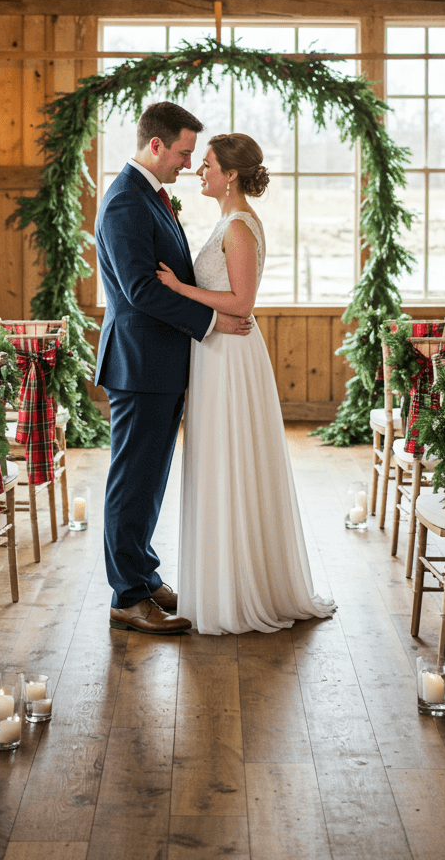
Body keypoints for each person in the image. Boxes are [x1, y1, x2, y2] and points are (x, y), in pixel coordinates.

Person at [156, 132, 336, 635]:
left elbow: (241, 303)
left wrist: (177, 287)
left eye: (207, 163)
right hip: (215, 349)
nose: (200, 170)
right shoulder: (227, 222)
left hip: (231, 353)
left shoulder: (238, 226)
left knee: (230, 458)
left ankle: (241, 589)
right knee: (218, 459)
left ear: (230, 174)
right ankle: (221, 581)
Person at [94, 102, 254, 636]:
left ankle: (142, 573)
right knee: (132, 481)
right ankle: (128, 596)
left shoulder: (150, 197)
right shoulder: (124, 203)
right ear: (156, 146)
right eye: (185, 152)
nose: (189, 163)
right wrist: (210, 321)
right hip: (140, 364)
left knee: (150, 478)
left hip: (161, 364)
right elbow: (140, 290)